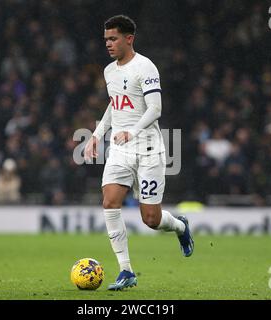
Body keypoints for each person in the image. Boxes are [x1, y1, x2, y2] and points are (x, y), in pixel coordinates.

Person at [84, 15, 194, 291]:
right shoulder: (109, 71)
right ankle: (126, 270)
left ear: (129, 38)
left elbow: (155, 108)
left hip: (147, 150)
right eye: (106, 39)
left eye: (113, 38)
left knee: (151, 220)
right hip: (120, 150)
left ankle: (180, 226)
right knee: (110, 202)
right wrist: (96, 134)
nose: (108, 44)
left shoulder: (145, 67)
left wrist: (132, 131)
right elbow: (114, 106)